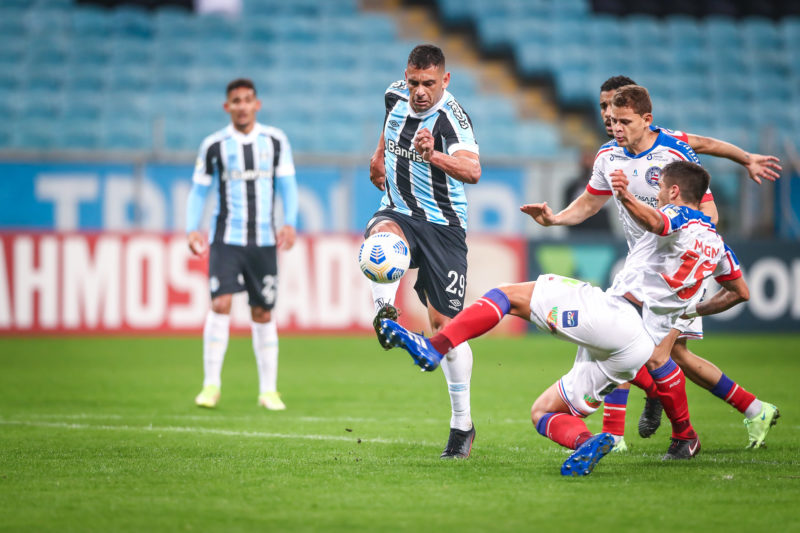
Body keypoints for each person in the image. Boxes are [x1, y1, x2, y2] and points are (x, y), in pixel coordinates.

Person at [381, 161, 750, 475]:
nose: (658, 196)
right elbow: (739, 293)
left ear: (673, 191)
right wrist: (693, 308)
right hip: (639, 348)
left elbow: (657, 222)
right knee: (542, 412)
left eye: (660, 191)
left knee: (508, 295)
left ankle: (436, 346)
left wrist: (625, 196)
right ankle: (590, 442)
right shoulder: (718, 244)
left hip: (620, 316)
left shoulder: (676, 213)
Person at [594, 77, 781, 450]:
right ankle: (753, 408)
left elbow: (697, 207)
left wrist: (640, 205)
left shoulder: (671, 149)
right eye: (604, 111)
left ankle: (631, 434)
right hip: (653, 265)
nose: (610, 120)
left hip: (671, 271)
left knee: (633, 344)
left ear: (644, 117)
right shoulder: (613, 153)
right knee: (674, 356)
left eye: (617, 114)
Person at [365, 44, 482, 458]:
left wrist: (432, 155)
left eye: (428, 84)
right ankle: (385, 314)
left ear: (445, 81)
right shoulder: (393, 94)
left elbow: (473, 171)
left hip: (443, 229)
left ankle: (462, 425)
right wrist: (379, 157)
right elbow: (388, 122)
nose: (419, 92)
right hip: (398, 210)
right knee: (378, 245)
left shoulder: (453, 120)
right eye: (414, 82)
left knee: (444, 329)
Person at [186, 78, 298, 411]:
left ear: (257, 104)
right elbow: (198, 190)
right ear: (227, 107)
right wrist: (192, 228)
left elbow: (289, 185)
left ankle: (268, 391)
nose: (242, 106)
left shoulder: (276, 141)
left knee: (262, 311)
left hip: (263, 241)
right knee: (220, 303)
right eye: (236, 101)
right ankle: (210, 385)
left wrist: (290, 222)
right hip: (226, 239)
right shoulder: (214, 145)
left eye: (248, 100)